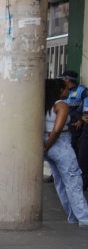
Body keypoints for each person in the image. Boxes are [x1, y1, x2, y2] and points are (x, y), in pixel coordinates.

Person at [44, 78, 88, 225]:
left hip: (47, 143)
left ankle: (73, 216)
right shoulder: (61, 105)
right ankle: (84, 218)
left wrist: (45, 147)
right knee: (73, 180)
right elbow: (57, 130)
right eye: (66, 89)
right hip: (59, 144)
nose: (68, 91)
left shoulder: (44, 105)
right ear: (60, 91)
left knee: (60, 182)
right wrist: (47, 146)